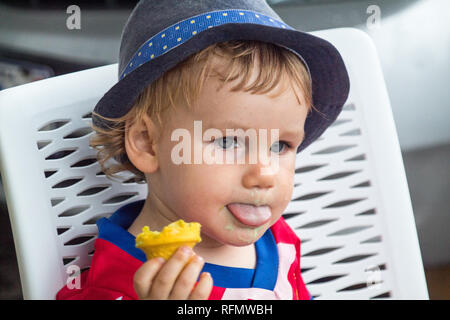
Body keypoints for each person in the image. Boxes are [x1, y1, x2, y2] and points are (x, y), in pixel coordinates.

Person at [57, 0, 349, 300]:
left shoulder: (277, 240)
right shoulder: (120, 283)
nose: (265, 174)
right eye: (227, 142)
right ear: (147, 143)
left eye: (280, 146)